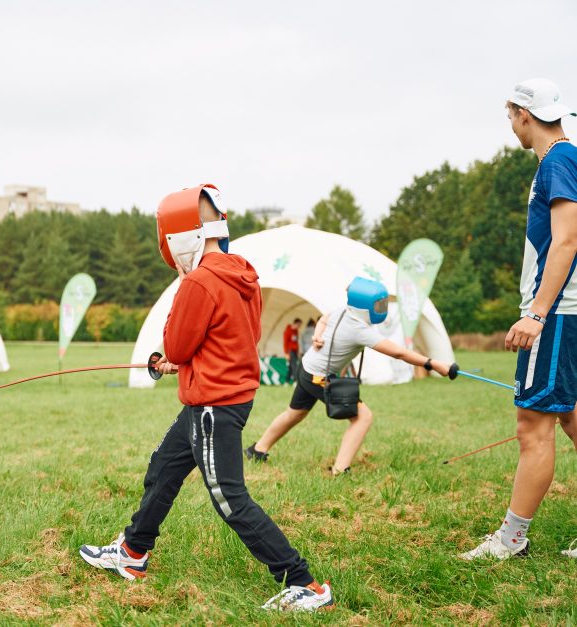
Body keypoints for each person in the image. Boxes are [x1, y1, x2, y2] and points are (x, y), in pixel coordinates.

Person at [79, 184, 334, 612]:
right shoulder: (243, 272)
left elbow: (177, 346)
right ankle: (133, 552)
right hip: (216, 399)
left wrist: (176, 342)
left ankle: (304, 584)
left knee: (230, 498)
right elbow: (232, 337)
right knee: (164, 468)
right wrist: (190, 362)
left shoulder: (198, 281)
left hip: (214, 406)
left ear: (180, 237)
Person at [460, 78, 577, 561]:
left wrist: (536, 312)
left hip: (557, 314)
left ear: (523, 114)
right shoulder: (564, 159)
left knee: (533, 425)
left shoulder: (558, 160)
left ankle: (510, 541)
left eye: (510, 115)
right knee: (571, 419)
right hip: (567, 313)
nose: (510, 125)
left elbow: (567, 240)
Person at [245, 277, 454, 474]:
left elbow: (323, 320)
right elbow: (399, 352)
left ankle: (258, 450)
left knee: (295, 413)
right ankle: (340, 470)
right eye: (378, 305)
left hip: (307, 367)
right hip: (317, 376)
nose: (381, 309)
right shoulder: (358, 328)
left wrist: (317, 336)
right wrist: (432, 364)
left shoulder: (344, 311)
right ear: (364, 307)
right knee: (363, 417)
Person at [283, 319, 302, 384]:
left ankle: (286, 381)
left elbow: (296, 342)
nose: (299, 327)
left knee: (291, 367)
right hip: (290, 351)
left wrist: (298, 351)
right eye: (299, 325)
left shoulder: (296, 331)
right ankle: (295, 381)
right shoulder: (287, 331)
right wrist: (286, 353)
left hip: (295, 351)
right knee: (294, 366)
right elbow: (285, 343)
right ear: (295, 323)